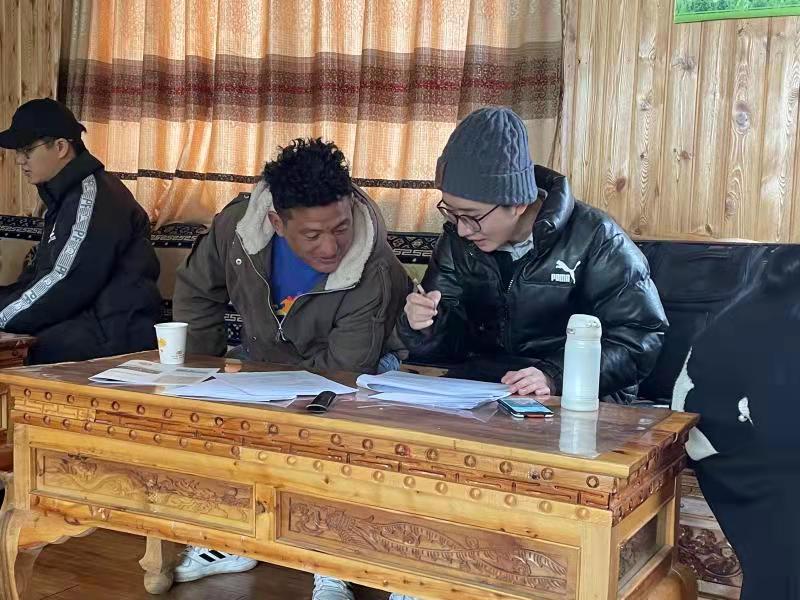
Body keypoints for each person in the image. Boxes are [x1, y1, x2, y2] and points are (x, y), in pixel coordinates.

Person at [172, 137, 411, 599]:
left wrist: (265, 390)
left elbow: (343, 370)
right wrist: (200, 373)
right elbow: (197, 294)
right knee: (212, 418)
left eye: (340, 228)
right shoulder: (236, 229)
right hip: (266, 363)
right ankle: (233, 535)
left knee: (331, 433)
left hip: (356, 372)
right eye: (313, 235)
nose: (331, 246)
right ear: (277, 222)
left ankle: (331, 559)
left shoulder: (373, 267)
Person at [398, 106, 667, 404]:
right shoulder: (457, 241)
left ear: (517, 203)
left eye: (472, 216)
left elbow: (641, 336)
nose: (462, 229)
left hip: (579, 394)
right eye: (451, 213)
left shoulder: (596, 237)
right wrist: (426, 325)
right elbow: (447, 349)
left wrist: (554, 376)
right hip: (485, 389)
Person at [672, 245, 800, 600]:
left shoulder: (771, 304)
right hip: (725, 446)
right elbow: (779, 423)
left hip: (756, 431)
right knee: (783, 557)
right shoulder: (776, 325)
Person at [0, 98, 161, 364]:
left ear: (61, 147)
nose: (19, 160)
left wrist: (5, 317)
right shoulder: (65, 197)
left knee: (18, 354)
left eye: (27, 150)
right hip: (82, 324)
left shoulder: (92, 196)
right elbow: (38, 278)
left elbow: (67, 280)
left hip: (113, 333)